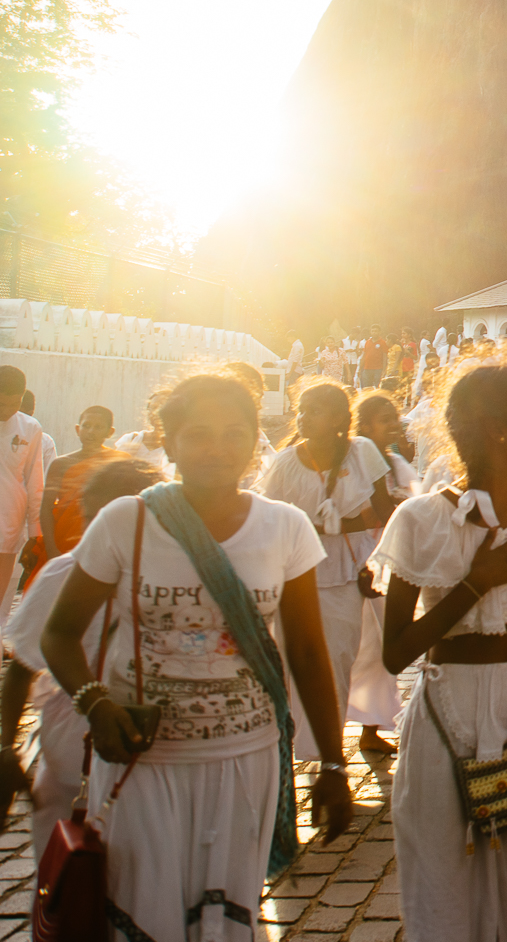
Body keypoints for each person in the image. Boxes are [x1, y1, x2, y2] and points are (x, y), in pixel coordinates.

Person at [41, 373, 353, 939]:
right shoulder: (126, 522)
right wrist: (96, 706)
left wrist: (333, 763)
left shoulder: (283, 527)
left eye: (236, 433)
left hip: (246, 758)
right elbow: (59, 634)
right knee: (144, 906)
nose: (218, 448)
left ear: (257, 438)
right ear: (169, 440)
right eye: (199, 434)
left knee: (227, 915)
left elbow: (307, 652)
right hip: (145, 761)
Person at [372, 364, 507, 942]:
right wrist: (473, 583)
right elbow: (395, 653)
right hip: (449, 714)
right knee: (443, 883)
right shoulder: (424, 518)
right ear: (497, 430)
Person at [0, 458, 163, 861]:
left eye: (106, 520)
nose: (94, 532)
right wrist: (6, 748)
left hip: (152, 758)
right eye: (91, 518)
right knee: (68, 886)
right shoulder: (62, 574)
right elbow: (21, 668)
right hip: (71, 758)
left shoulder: (174, 577)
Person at [258, 382, 398, 763]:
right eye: (301, 409)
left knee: (336, 662)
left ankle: (328, 757)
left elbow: (385, 510)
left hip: (347, 574)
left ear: (338, 418)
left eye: (314, 410)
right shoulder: (285, 463)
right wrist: (315, 527)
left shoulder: (361, 452)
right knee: (288, 663)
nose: (303, 417)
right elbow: (267, 521)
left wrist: (374, 553)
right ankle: (283, 750)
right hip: (296, 574)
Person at [347, 391, 414, 755]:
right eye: (384, 419)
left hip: (381, 553)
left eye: (394, 417)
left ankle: (371, 727)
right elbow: (379, 507)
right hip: (357, 556)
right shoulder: (356, 457)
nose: (392, 424)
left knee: (376, 647)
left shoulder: (392, 458)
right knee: (356, 646)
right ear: (365, 423)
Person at [38, 404, 127, 563]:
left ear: (110, 432)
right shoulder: (61, 464)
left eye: (98, 427)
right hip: (64, 538)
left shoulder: (120, 462)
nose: (91, 432)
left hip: (104, 539)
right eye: (86, 426)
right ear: (78, 429)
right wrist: (51, 548)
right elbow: (46, 507)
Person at [0, 367, 45, 625]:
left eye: (15, 402)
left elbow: (35, 482)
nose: (7, 409)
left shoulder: (30, 428)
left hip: (8, 526)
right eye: (1, 402)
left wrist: (35, 533)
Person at [360, 325, 390, 390]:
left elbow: (385, 357)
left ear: (379, 332)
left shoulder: (383, 342)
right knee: (367, 387)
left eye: (376, 331)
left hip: (378, 368)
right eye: (372, 331)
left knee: (378, 387)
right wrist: (359, 368)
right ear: (370, 332)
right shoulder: (367, 342)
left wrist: (384, 369)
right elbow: (364, 355)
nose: (374, 333)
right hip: (367, 368)